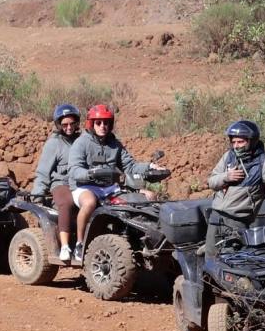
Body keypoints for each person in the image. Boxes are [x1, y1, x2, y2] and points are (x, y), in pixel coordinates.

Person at [67, 104, 169, 249]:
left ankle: (143, 241)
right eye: (99, 123)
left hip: (109, 188)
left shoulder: (115, 144)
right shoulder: (81, 143)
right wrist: (90, 174)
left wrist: (150, 167)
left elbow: (130, 166)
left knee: (145, 199)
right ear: (91, 124)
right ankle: (80, 243)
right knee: (89, 203)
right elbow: (74, 170)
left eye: (106, 123)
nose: (103, 126)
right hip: (85, 186)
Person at [204, 119, 265, 256]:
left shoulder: (264, 163)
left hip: (237, 224)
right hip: (216, 219)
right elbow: (211, 182)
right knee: (210, 260)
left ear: (252, 141)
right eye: (233, 142)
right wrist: (226, 177)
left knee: (231, 263)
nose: (236, 146)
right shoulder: (228, 156)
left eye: (240, 142)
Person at [28, 102, 85, 263]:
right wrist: (37, 194)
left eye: (72, 123)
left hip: (81, 183)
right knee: (66, 202)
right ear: (58, 124)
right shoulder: (54, 143)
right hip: (61, 183)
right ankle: (65, 246)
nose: (69, 127)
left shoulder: (82, 141)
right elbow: (43, 171)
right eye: (65, 124)